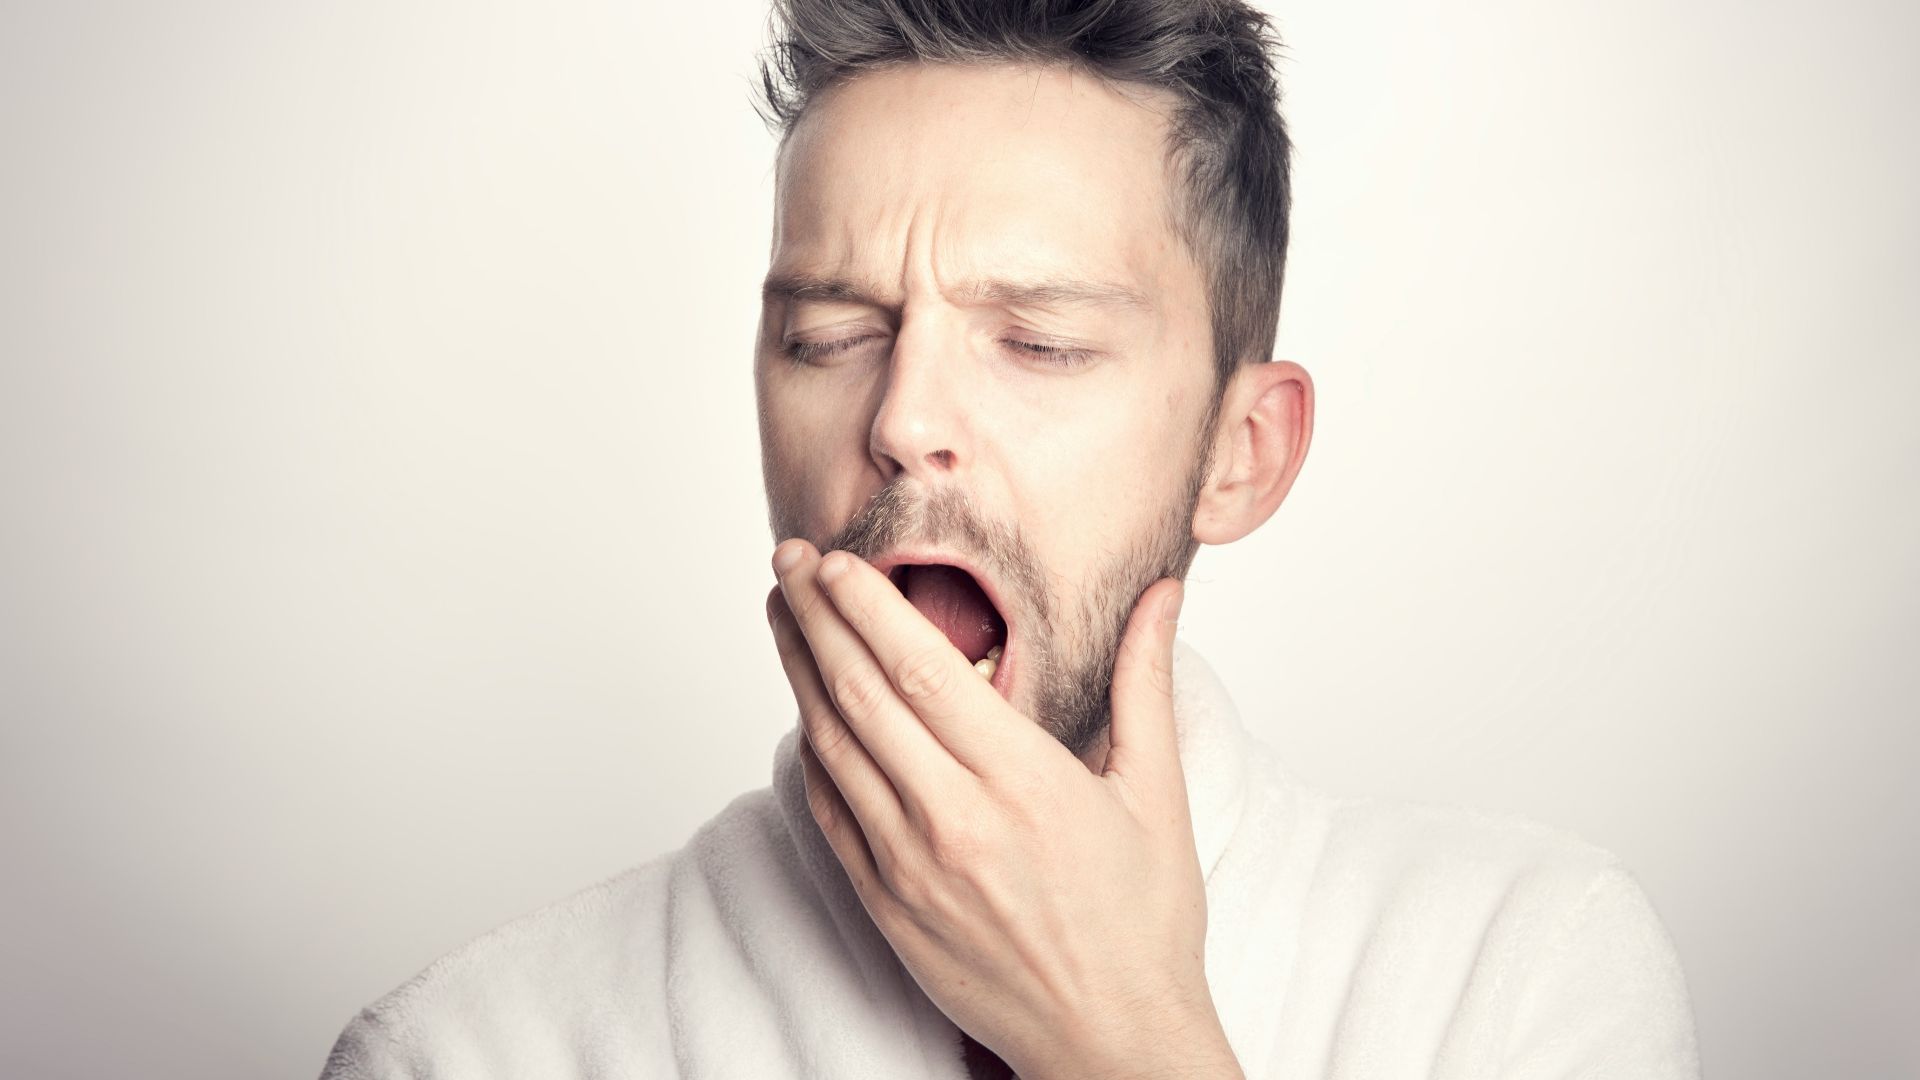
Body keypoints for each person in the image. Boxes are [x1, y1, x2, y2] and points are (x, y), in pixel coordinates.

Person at [320, 1, 1700, 1077]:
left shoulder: (1519, 974)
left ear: (1241, 456)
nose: (905, 418)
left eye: (1037, 342)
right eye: (830, 337)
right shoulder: (470, 1050)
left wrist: (1121, 1042)